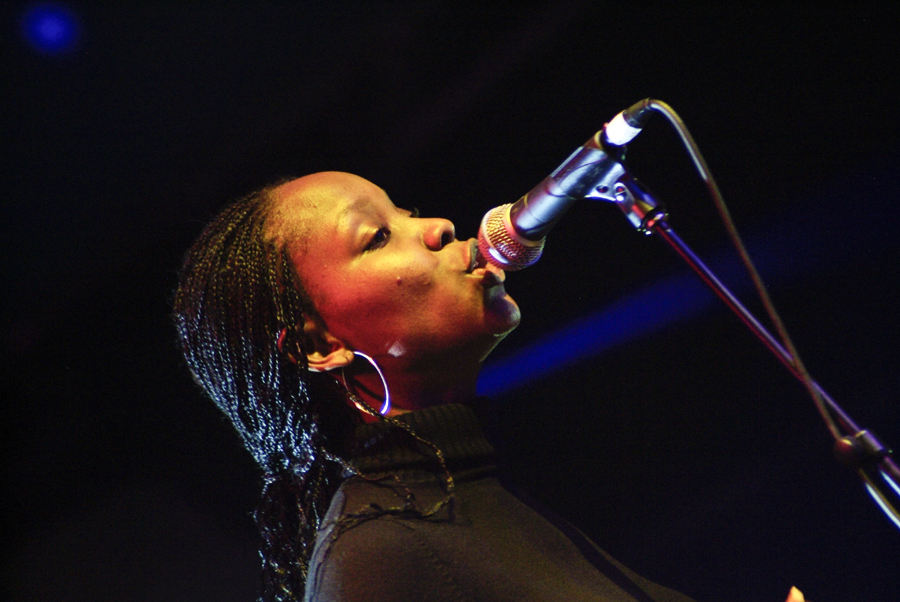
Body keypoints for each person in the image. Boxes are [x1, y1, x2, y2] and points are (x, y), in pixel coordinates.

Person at [173, 172, 803, 602]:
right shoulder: (377, 562)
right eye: (378, 236)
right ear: (319, 346)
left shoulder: (471, 494)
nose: (441, 226)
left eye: (407, 211)